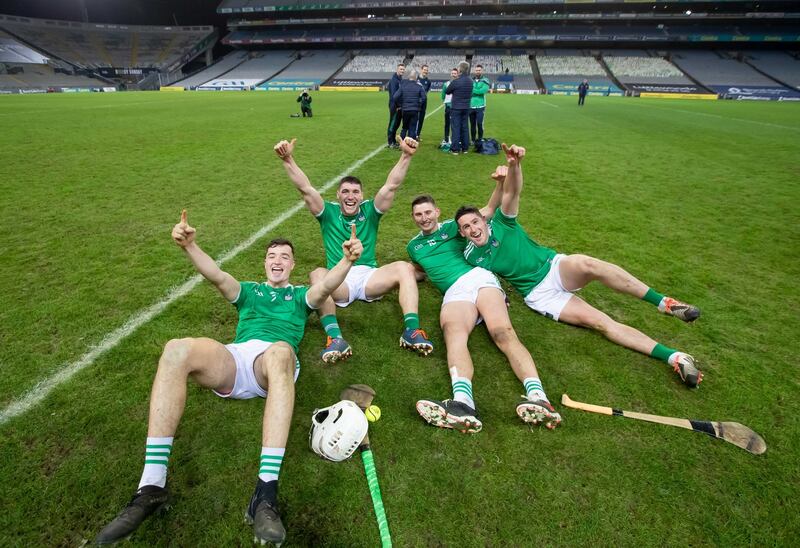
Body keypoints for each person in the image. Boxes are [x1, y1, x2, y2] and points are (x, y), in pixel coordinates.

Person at [94, 211, 364, 545]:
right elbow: (218, 276)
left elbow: (324, 286)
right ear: (265, 263)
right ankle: (151, 485)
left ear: (292, 265)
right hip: (237, 361)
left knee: (280, 352)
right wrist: (190, 246)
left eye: (284, 257)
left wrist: (347, 261)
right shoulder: (250, 292)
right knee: (176, 349)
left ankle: (265, 494)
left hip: (273, 364)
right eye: (271, 256)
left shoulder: (298, 297)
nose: (277, 261)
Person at [456, 144, 703, 388]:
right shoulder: (471, 256)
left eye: (475, 222)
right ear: (462, 233)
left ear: (484, 220)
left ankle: (665, 303)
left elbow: (513, 193)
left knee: (588, 264)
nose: (473, 229)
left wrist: (515, 165)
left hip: (553, 268)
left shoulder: (502, 223)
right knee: (600, 322)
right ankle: (676, 357)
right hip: (538, 295)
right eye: (466, 227)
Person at [407, 189, 561, 435]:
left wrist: (501, 184)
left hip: (477, 279)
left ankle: (539, 398)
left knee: (501, 332)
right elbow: (422, 269)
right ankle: (463, 404)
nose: (424, 218)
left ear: (436, 212)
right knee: (452, 333)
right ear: (413, 218)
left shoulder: (453, 228)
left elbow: (487, 212)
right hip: (454, 292)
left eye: (428, 212)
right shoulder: (413, 246)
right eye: (418, 214)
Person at [274, 137, 433, 363]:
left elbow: (391, 185)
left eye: (355, 192)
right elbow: (305, 189)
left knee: (403, 268)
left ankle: (412, 331)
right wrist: (288, 158)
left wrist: (406, 156)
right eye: (345, 191)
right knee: (317, 275)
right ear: (338, 195)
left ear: (362, 195)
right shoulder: (327, 212)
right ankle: (335, 338)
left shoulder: (370, 210)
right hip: (340, 280)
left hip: (370, 277)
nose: (350, 196)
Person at [445, 61, 473, 155]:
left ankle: (455, 149)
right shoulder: (470, 81)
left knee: (455, 127)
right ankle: (465, 148)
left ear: (460, 69)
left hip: (456, 107)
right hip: (466, 107)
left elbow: (448, 91)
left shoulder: (456, 81)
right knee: (465, 127)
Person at [393, 69, 427, 141]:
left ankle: (402, 144)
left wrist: (400, 104)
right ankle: (410, 145)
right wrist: (419, 105)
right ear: (416, 78)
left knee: (404, 127)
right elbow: (424, 98)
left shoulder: (403, 86)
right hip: (414, 110)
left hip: (405, 110)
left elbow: (395, 97)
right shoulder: (419, 87)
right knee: (412, 127)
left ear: (409, 77)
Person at [469, 64, 491, 146]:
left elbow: (482, 91)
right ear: (474, 71)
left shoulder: (485, 80)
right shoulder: (471, 80)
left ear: (482, 71)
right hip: (471, 106)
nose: (478, 71)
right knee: (472, 124)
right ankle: (473, 140)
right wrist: (477, 90)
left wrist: (473, 90)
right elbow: (469, 91)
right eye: (476, 70)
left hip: (481, 106)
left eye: (479, 70)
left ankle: (480, 138)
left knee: (479, 123)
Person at [386, 63, 405, 148]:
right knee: (393, 124)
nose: (402, 70)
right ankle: (390, 142)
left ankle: (393, 141)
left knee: (396, 124)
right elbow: (394, 95)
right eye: (401, 69)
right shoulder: (394, 80)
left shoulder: (400, 79)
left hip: (399, 106)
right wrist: (398, 106)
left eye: (403, 69)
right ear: (397, 69)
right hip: (395, 106)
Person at [440, 68, 458, 148]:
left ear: (457, 74)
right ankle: (446, 138)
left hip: (457, 106)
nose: (453, 75)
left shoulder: (459, 83)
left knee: (456, 124)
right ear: (451, 74)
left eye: (455, 73)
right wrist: (446, 102)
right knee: (447, 123)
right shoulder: (446, 84)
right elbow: (443, 95)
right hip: (448, 106)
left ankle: (456, 139)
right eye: (452, 73)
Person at [415, 64, 432, 139]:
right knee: (415, 118)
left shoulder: (428, 81)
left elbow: (427, 92)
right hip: (415, 102)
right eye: (424, 70)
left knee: (421, 119)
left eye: (427, 70)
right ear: (421, 70)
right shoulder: (416, 79)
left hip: (424, 102)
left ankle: (418, 134)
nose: (426, 71)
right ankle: (413, 134)